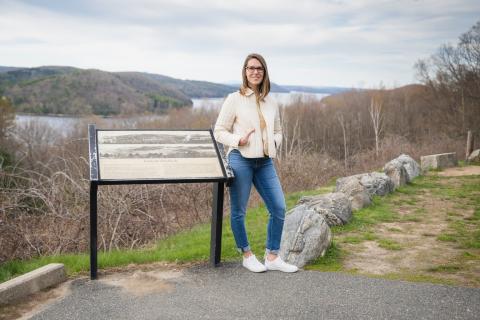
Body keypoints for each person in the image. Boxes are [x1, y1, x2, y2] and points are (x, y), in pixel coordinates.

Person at [214, 53, 298, 273]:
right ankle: (247, 255)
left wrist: (274, 142)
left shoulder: (271, 101)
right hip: (240, 159)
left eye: (259, 68)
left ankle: (272, 256)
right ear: (245, 72)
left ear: (264, 72)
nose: (255, 72)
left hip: (265, 162)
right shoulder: (234, 99)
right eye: (250, 68)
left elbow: (278, 131)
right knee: (239, 211)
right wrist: (237, 140)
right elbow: (219, 131)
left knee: (279, 208)